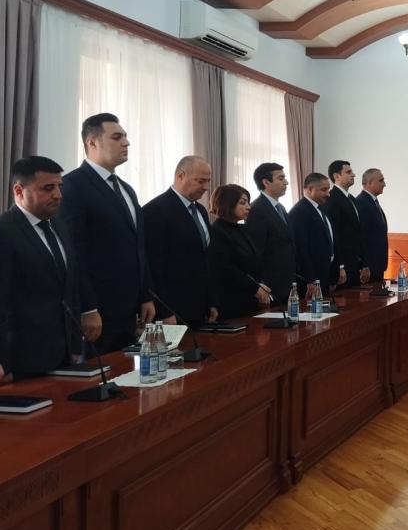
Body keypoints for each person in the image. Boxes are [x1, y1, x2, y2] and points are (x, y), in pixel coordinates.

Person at [60, 112, 154, 352]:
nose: (126, 142)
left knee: (129, 372)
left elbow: (138, 246)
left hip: (129, 310)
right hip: (98, 312)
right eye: (117, 137)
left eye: (125, 136)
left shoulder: (127, 189)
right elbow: (74, 252)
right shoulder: (72, 186)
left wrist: (145, 295)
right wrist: (88, 307)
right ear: (92, 142)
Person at [0, 157, 96, 381]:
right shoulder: (5, 231)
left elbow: (68, 286)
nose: (58, 195)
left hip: (63, 353)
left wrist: (75, 343)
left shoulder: (60, 225)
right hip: (21, 357)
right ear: (19, 191)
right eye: (48, 188)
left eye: (59, 186)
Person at [142, 156, 217, 325]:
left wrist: (211, 301)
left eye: (208, 181)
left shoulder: (201, 210)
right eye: (200, 181)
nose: (206, 187)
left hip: (200, 306)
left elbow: (205, 258)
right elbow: (153, 266)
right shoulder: (155, 210)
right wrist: (164, 311)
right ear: (180, 176)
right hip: (172, 309)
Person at [207, 184, 272, 320]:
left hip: (251, 298)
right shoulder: (217, 231)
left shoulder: (242, 229)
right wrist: (254, 287)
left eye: (248, 202)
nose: (248, 207)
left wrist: (261, 283)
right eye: (242, 203)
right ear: (227, 203)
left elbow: (254, 261)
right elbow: (226, 268)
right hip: (231, 300)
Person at [244, 162, 296, 303]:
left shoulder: (281, 208)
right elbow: (256, 251)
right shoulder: (256, 209)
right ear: (266, 182)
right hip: (271, 285)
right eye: (281, 178)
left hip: (288, 282)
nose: (286, 182)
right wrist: (261, 283)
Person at [323, 160, 370, 287]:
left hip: (355, 263)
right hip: (343, 266)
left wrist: (364, 264)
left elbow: (359, 233)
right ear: (336, 176)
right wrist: (340, 266)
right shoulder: (331, 199)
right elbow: (334, 235)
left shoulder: (352, 199)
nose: (353, 175)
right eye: (348, 172)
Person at [288, 172, 336, 295]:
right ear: (310, 189)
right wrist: (310, 279)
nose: (328, 194)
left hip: (324, 272)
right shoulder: (299, 212)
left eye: (328, 189)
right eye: (323, 190)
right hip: (312, 278)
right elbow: (301, 248)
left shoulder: (320, 208)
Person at [356, 168, 389, 284]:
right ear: (369, 183)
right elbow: (361, 237)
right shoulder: (361, 203)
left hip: (377, 265)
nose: (384, 184)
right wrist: (364, 265)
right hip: (369, 267)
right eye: (381, 180)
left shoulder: (373, 201)